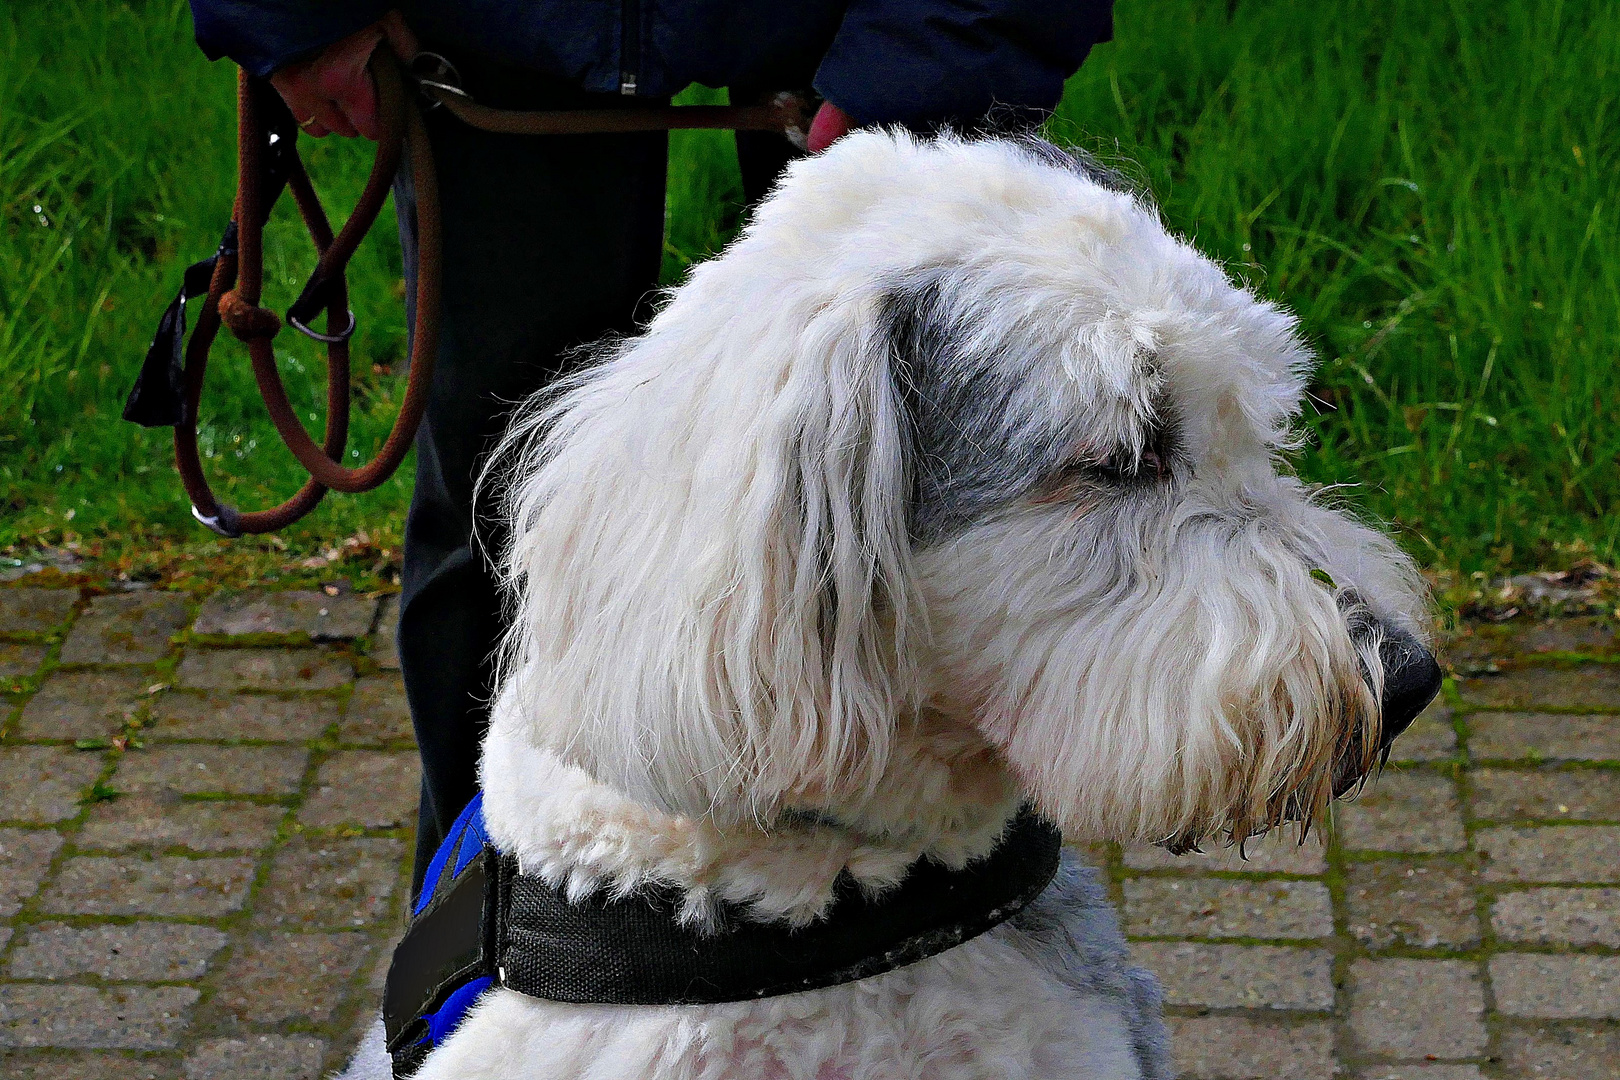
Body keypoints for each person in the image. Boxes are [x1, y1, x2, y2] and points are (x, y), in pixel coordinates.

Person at [184, 0, 1116, 897]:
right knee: (495, 525)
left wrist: (943, 46)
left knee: (981, 515)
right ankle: (493, 949)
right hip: (486, 38)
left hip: (889, 30)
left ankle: (964, 924)